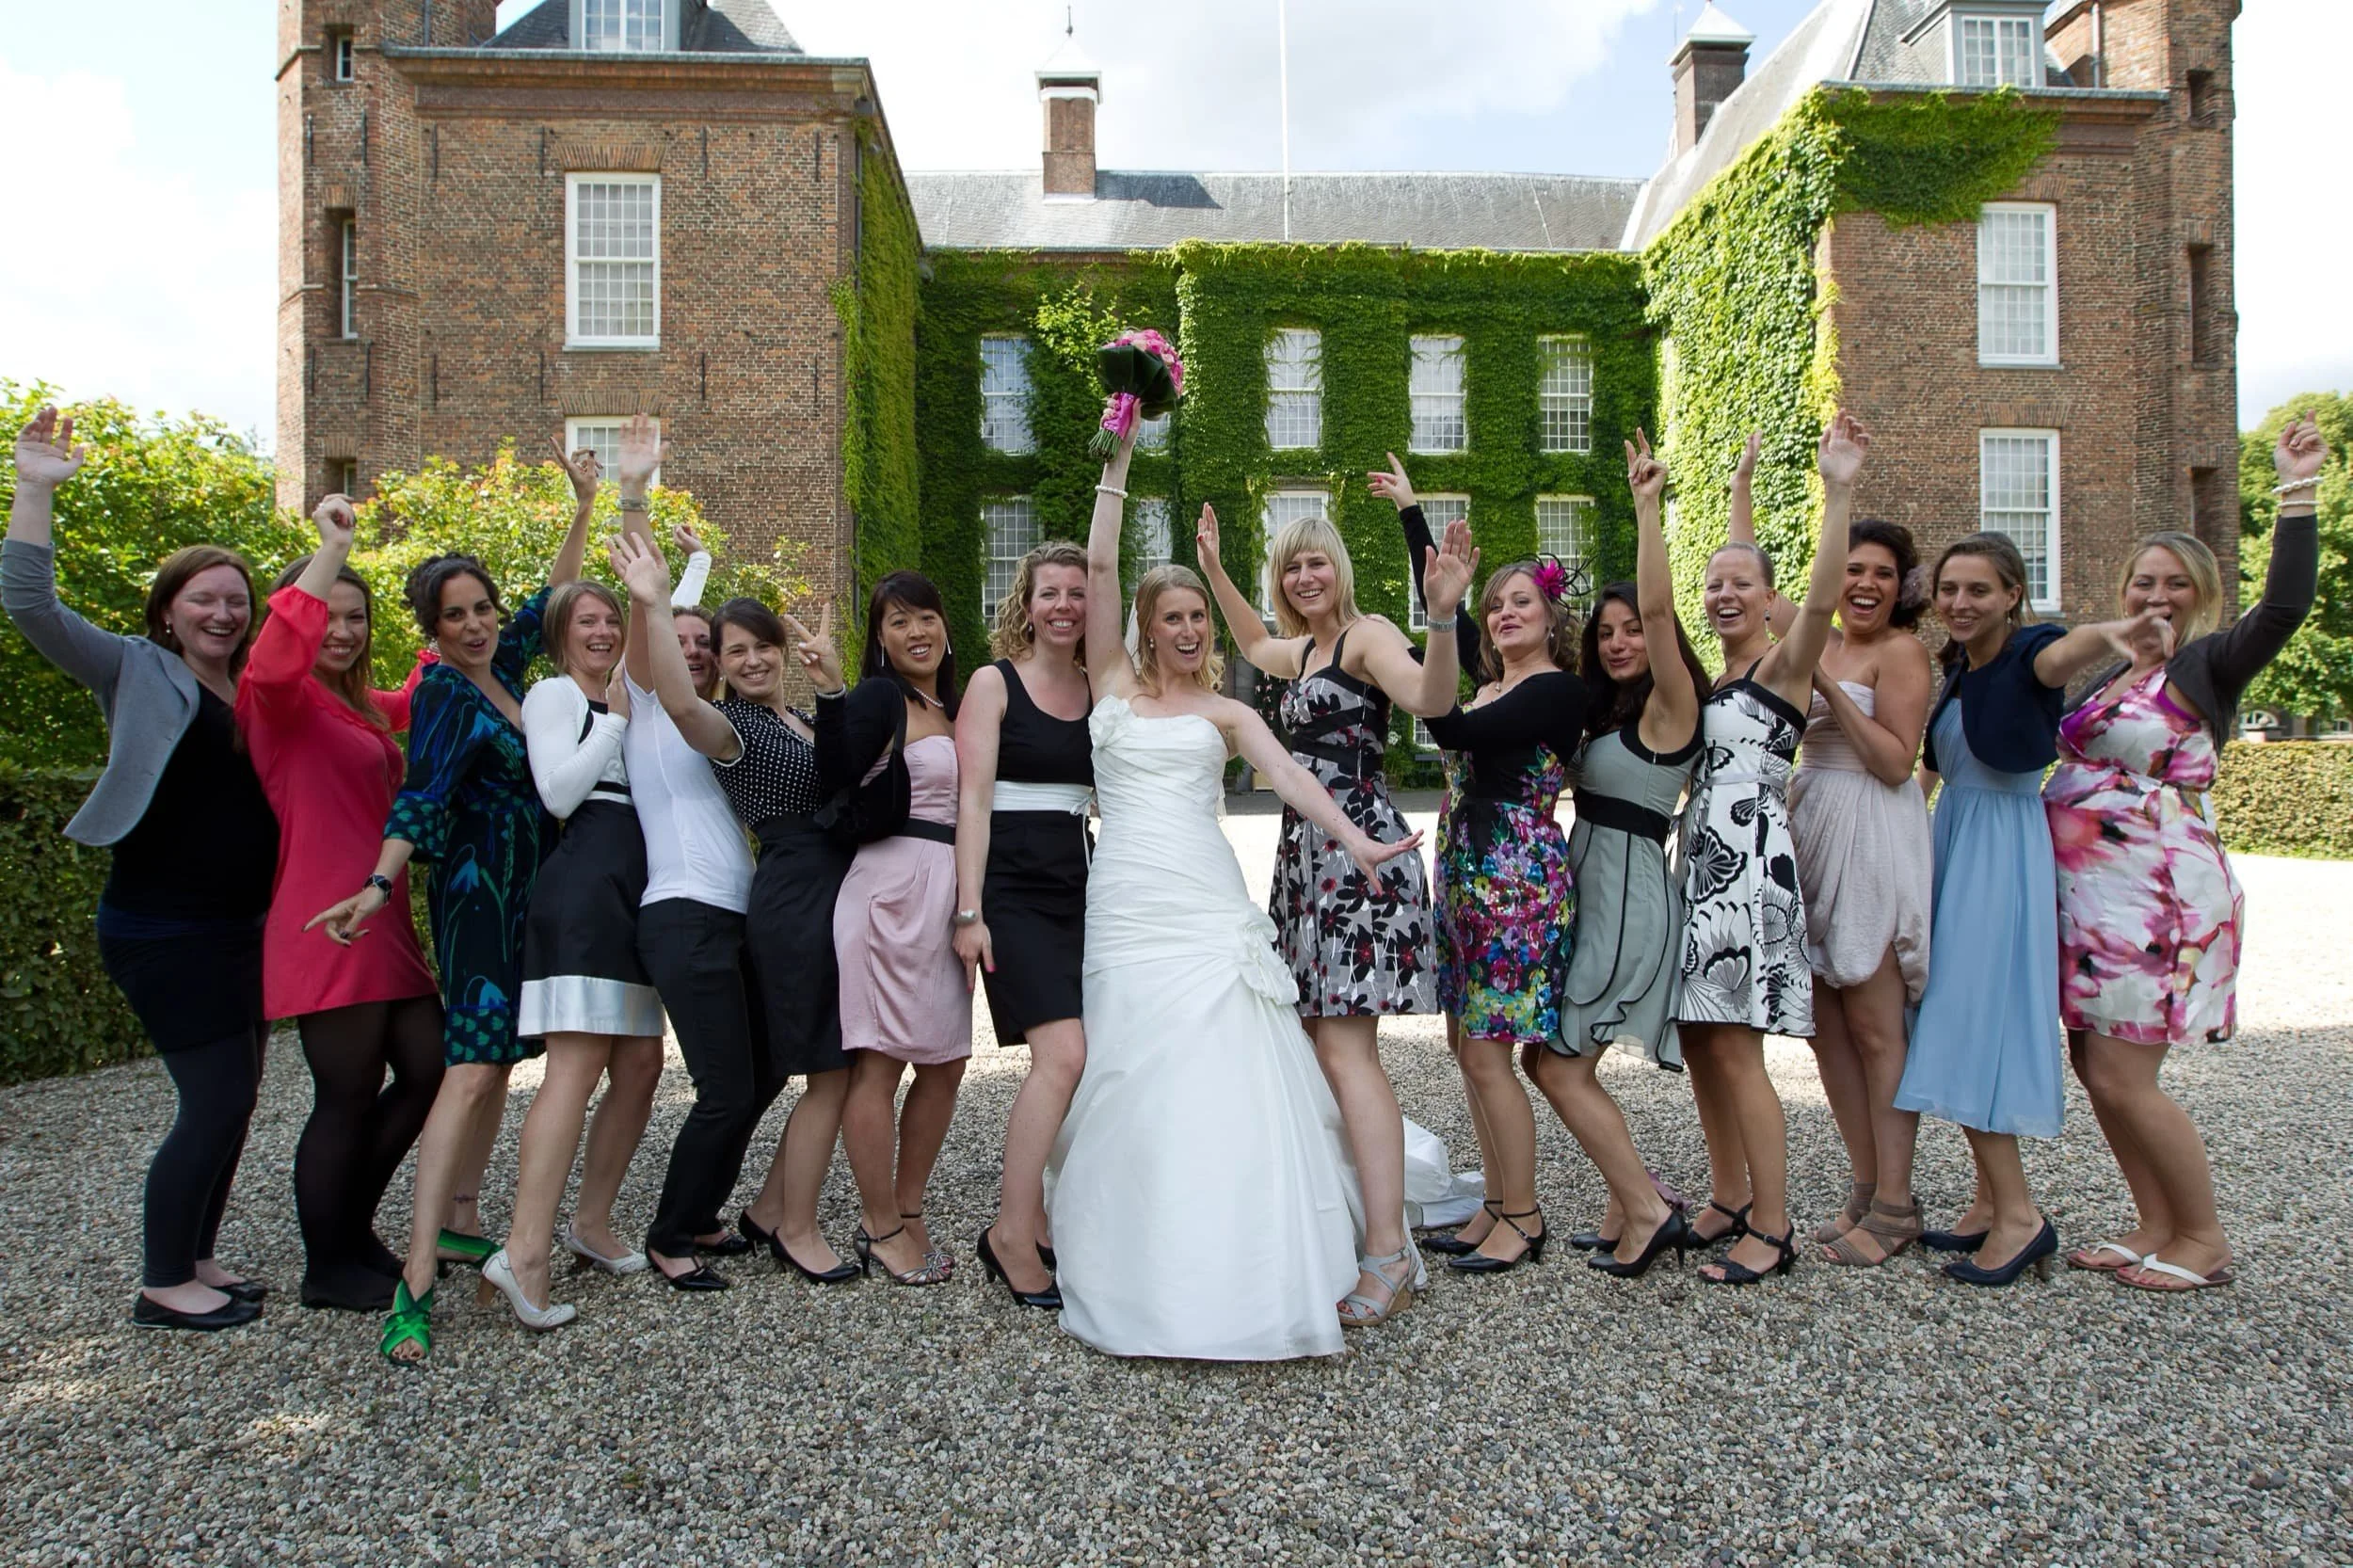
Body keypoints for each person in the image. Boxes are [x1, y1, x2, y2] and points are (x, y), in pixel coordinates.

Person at [1052, 420, 1424, 1359]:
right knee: (1132, 1061)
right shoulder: (1106, 684)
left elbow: (1297, 780)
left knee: (1224, 1063)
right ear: (1143, 626)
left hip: (1206, 901)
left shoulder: (1226, 708)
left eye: (1197, 618)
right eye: (1169, 617)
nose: (1185, 630)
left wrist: (1360, 843)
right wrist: (1120, 462)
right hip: (1128, 902)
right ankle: (1132, 1236)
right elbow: (1097, 570)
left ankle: (1235, 1247)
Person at [310, 441, 595, 1360]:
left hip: (533, 897)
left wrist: (581, 505)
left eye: (481, 609)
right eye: (454, 615)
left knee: (500, 1065)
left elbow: (555, 596)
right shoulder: (438, 691)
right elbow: (421, 798)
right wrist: (378, 882)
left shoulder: (507, 667)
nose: (474, 625)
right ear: (429, 627)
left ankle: (468, 1219)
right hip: (476, 896)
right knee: (469, 1073)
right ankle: (417, 1276)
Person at [4, 408, 276, 1334]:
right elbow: (30, 607)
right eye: (203, 597)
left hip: (241, 926)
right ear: (168, 611)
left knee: (240, 1097)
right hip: (163, 926)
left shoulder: (257, 692)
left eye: (236, 598)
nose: (222, 611)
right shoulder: (133, 670)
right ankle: (164, 1278)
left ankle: (199, 1255)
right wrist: (34, 489)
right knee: (216, 1095)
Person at [2044, 414, 2327, 1293]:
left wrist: (2296, 490)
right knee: (2096, 1067)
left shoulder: (2203, 668)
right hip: (2092, 902)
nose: (2154, 597)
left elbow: (2283, 607)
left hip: (2153, 895)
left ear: (2198, 595)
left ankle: (2203, 1238)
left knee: (2127, 1072)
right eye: (2142, 583)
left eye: (2172, 585)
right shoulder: (2113, 671)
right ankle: (2153, 1221)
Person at [1195, 469, 1462, 1323]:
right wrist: (1213, 569)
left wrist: (1445, 616)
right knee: (1318, 1043)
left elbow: (1433, 698)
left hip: (1360, 854)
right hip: (1307, 858)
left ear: (1338, 567)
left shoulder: (1366, 637)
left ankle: (1388, 1254)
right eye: (1290, 569)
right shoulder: (1302, 652)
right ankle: (1355, 1225)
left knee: (1348, 1051)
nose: (1304, 578)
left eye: (1315, 563)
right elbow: (1249, 641)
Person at [1896, 533, 2168, 1288]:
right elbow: (1927, 770)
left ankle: (2020, 1219)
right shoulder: (1957, 670)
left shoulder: (2028, 654)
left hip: (2000, 852)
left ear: (2013, 595)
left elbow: (2061, 655)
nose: (1959, 603)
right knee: (1948, 1011)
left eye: (1978, 590)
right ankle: (1988, 1203)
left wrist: (2108, 635)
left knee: (1965, 1018)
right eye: (1949, 589)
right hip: (1956, 842)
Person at [613, 529, 861, 1289]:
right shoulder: (734, 730)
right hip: (788, 888)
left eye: (763, 646)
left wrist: (834, 685)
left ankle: (729, 1212)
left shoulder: (801, 721)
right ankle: (725, 1229)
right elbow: (681, 705)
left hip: (823, 890)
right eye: (736, 651)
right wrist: (654, 603)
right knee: (781, 1076)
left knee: (774, 1074)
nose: (752, 660)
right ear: (720, 663)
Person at [1728, 434, 1938, 1267]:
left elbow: (1896, 762)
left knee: (1879, 1027)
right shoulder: (1813, 626)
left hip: (1871, 821)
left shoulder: (1900, 653)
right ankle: (1863, 1183)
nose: (1864, 584)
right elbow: (1748, 571)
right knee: (1824, 1029)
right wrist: (1742, 483)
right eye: (1852, 568)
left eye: (1883, 573)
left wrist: (1822, 688)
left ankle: (1898, 1201)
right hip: (1807, 820)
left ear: (1900, 587)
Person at [1676, 412, 1871, 1287]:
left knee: (1738, 1046)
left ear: (1768, 601)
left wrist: (1838, 493)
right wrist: (1739, 493)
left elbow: (1822, 595)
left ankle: (1775, 1224)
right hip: (1702, 861)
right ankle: (1726, 1194)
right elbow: (1740, 554)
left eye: (1739, 585)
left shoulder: (1782, 667)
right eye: (1712, 582)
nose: (1722, 593)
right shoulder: (1718, 675)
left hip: (1751, 864)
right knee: (1699, 1039)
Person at [236, 493, 441, 1312]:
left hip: (382, 918)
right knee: (346, 1094)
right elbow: (276, 658)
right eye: (330, 614)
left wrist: (456, 626)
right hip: (328, 921)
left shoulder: (356, 708)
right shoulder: (278, 703)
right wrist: (332, 549)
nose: (344, 630)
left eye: (357, 618)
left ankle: (351, 1229)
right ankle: (328, 1262)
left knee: (432, 1067)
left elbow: (421, 697)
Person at [477, 570, 667, 1332]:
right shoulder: (558, 697)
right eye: (585, 621)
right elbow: (557, 793)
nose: (602, 632)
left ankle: (590, 1223)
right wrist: (615, 724)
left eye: (609, 620)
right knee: (576, 1066)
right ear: (560, 633)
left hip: (630, 891)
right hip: (585, 883)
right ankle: (524, 1252)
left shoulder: (624, 691)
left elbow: (665, 617)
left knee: (643, 1065)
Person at [1536, 434, 1705, 1277]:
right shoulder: (1604, 713)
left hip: (1630, 891)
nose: (1618, 641)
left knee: (1556, 1064)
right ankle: (1626, 1201)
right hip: (1592, 882)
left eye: (1632, 628)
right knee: (1573, 1061)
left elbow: (1668, 616)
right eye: (1606, 632)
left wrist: (1647, 508)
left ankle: (1645, 1208)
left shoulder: (1671, 711)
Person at [954, 541, 1095, 1309]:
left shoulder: (1098, 687)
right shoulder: (992, 682)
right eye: (1050, 593)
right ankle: (1010, 1230)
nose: (1064, 605)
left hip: (1084, 886)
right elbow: (971, 801)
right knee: (1061, 1055)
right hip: (1010, 889)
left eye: (1077, 592)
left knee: (1091, 1053)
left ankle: (1038, 1213)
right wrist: (968, 911)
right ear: (1027, 602)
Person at [827, 570, 971, 1288]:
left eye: (926, 617)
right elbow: (832, 776)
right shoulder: (879, 698)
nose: (917, 632)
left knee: (945, 1061)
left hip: (950, 891)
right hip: (890, 886)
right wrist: (829, 690)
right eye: (898, 621)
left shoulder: (956, 702)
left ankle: (909, 1210)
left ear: (946, 625)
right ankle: (880, 1224)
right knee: (880, 1061)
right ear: (879, 640)